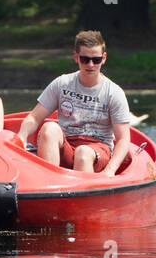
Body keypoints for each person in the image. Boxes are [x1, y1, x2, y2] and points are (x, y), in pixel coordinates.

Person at [17, 30, 131, 175]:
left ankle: (85, 193)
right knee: (49, 128)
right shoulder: (62, 83)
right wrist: (21, 136)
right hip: (67, 145)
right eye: (85, 59)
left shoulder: (114, 93)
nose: (90, 65)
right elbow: (34, 117)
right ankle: (49, 186)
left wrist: (110, 170)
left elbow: (123, 139)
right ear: (76, 57)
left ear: (104, 58)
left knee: (83, 153)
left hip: (97, 149)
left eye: (95, 60)